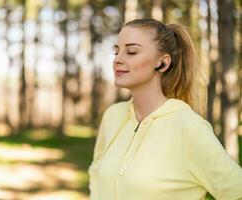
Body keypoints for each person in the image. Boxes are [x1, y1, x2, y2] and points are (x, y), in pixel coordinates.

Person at [88, 18, 242, 200]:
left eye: (131, 51)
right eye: (116, 52)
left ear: (162, 63)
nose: (118, 60)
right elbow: (96, 175)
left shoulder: (190, 128)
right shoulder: (112, 116)